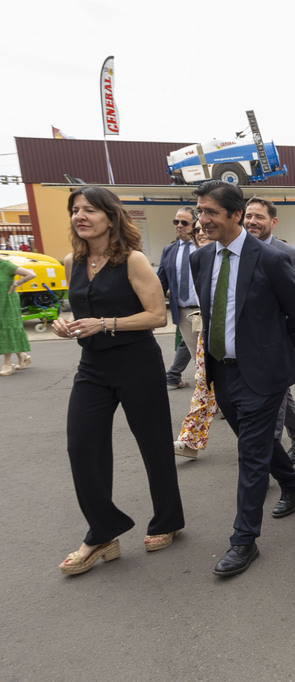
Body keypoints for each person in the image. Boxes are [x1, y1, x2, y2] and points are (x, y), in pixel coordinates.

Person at [53, 186, 185, 575]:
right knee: (82, 445)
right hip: (92, 366)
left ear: (110, 217)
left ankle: (168, 521)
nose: (81, 216)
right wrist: (66, 327)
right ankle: (103, 531)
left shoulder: (133, 260)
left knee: (154, 446)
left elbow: (158, 316)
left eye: (90, 210)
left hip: (137, 363)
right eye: (75, 210)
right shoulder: (70, 262)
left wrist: (105, 323)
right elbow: (80, 310)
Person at [191, 180, 295, 577]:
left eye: (210, 212)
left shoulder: (272, 259)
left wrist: (270, 353)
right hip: (222, 373)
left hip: (262, 375)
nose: (202, 219)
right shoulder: (202, 259)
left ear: (235, 215)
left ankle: (243, 540)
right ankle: (293, 482)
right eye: (200, 211)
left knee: (251, 456)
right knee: (254, 442)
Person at [244, 197, 295, 464]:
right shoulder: (238, 251)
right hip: (251, 345)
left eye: (259, 217)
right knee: (281, 394)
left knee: (271, 407)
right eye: (248, 215)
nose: (252, 221)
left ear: (273, 222)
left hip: (280, 342)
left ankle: (266, 465)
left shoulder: (288, 254)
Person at [174, 220, 219, 459]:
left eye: (204, 229)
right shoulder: (197, 259)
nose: (200, 233)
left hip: (237, 341)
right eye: (197, 230)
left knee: (279, 400)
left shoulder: (231, 259)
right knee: (202, 384)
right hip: (205, 333)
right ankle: (189, 441)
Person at [161, 207, 199, 390]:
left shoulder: (205, 246)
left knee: (215, 357)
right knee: (198, 358)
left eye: (184, 222)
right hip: (184, 314)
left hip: (206, 311)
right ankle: (212, 400)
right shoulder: (169, 250)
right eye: (176, 222)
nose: (179, 226)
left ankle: (223, 401)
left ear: (194, 224)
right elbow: (161, 282)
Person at [0, 257, 35, 375]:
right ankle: (22, 356)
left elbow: (31, 274)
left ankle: (7, 363)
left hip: (8, 302)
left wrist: (16, 283)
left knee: (7, 327)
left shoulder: (6, 265)